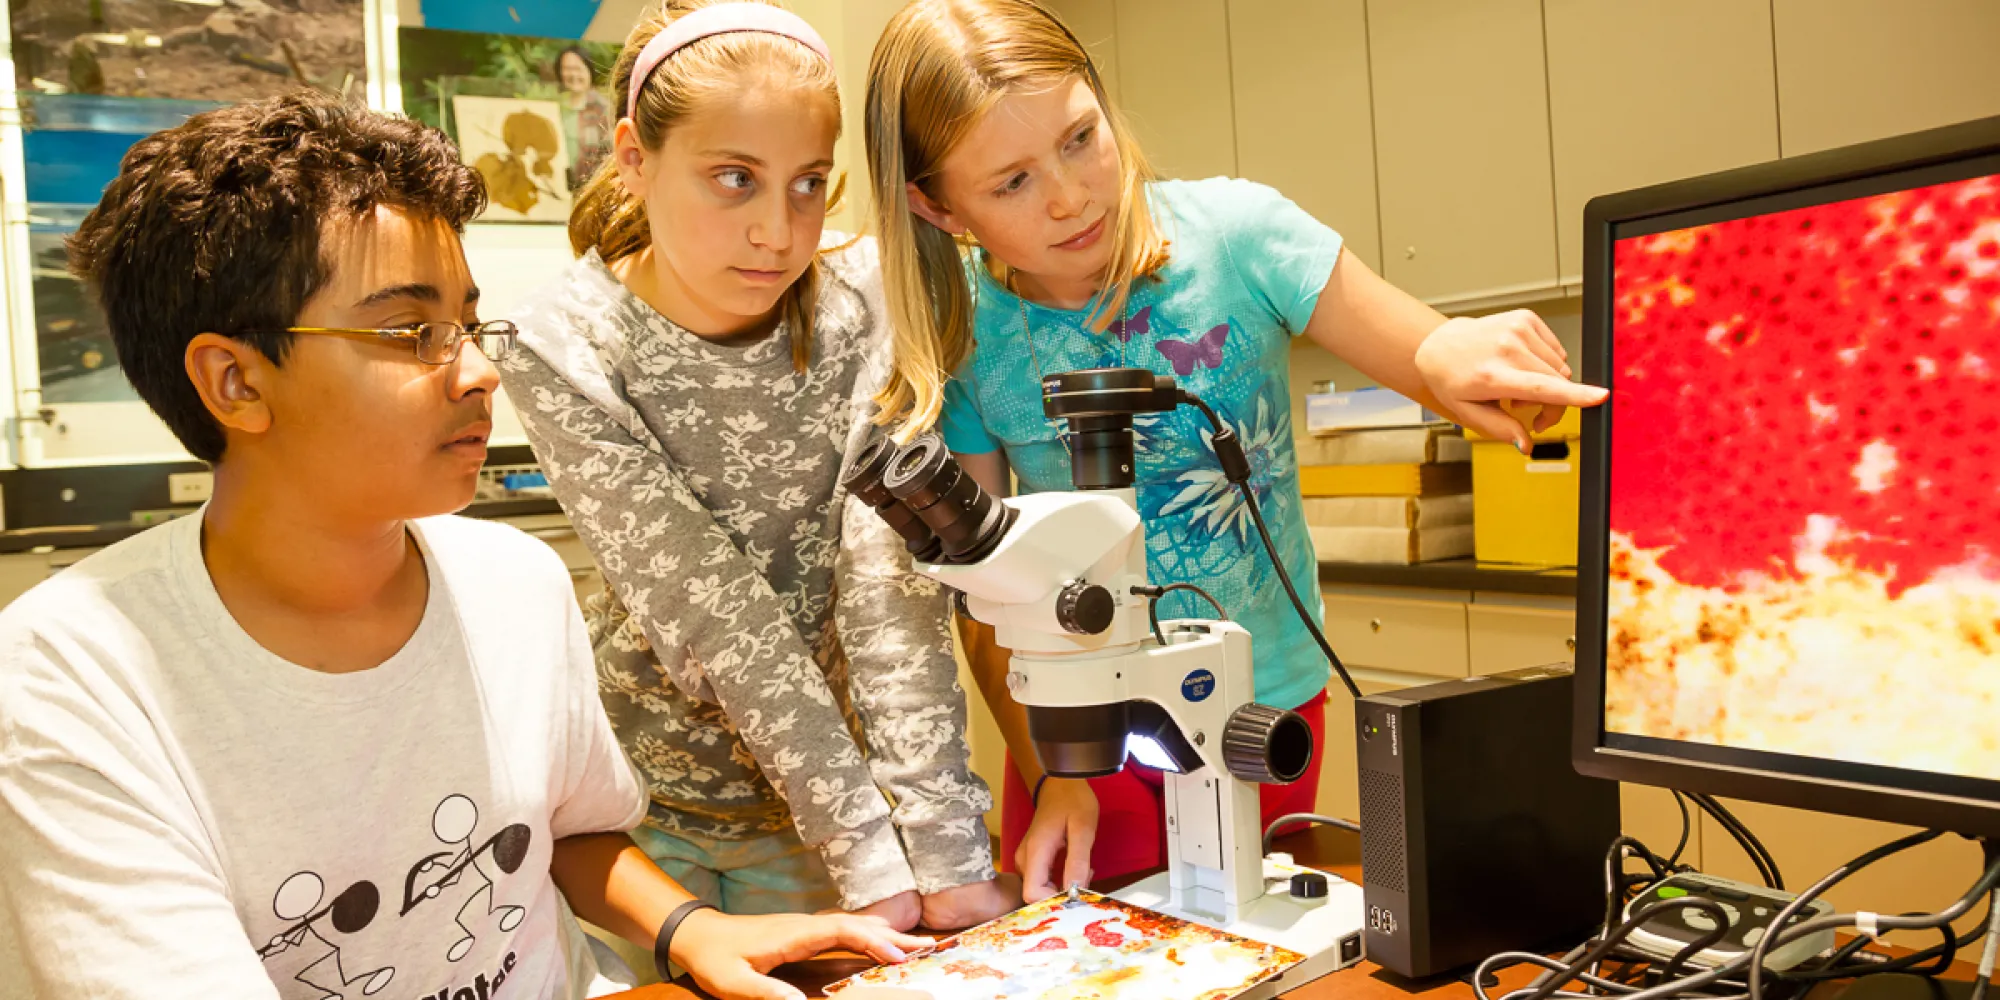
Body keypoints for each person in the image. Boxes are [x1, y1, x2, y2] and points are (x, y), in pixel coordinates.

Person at [0, 90, 926, 1000]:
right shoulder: (70, 683)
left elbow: (564, 828)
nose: (481, 370)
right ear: (236, 381)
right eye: (412, 332)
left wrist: (690, 927)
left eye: (468, 322)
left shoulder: (514, 581)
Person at [863, 0, 1612, 903]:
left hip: (1266, 697)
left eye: (1080, 139)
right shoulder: (970, 337)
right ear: (937, 207)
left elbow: (1418, 346)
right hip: (1083, 734)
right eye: (1011, 183)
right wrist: (1053, 768)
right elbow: (987, 589)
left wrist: (1458, 354)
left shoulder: (1238, 235)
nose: (1069, 195)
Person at [496, 0, 1016, 934]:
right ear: (633, 157)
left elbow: (886, 589)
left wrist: (943, 849)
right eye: (733, 178)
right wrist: (863, 844)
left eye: (808, 183)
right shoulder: (561, 342)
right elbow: (714, 611)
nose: (778, 231)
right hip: (641, 822)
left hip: (826, 818)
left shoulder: (861, 298)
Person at [557, 45, 614, 189]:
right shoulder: (556, 107)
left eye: (578, 68)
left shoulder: (604, 109)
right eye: (567, 69)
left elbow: (610, 157)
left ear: (589, 70)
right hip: (557, 190)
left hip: (592, 189)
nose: (573, 74)